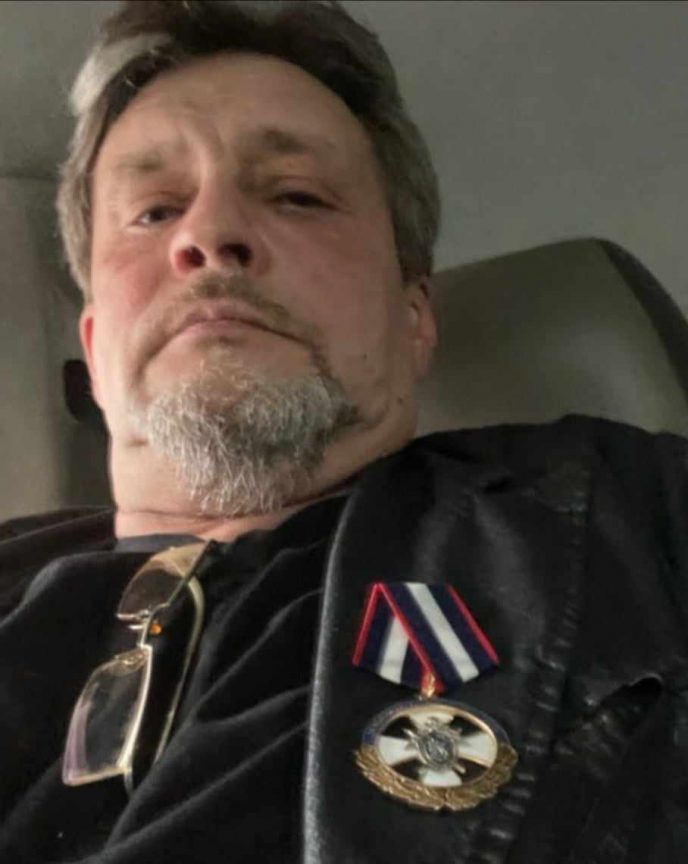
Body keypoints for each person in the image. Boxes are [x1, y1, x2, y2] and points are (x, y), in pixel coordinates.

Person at [0, 1, 686, 861]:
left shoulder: (629, 510)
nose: (210, 234)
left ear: (415, 318)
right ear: (96, 349)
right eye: (153, 210)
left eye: (298, 195)